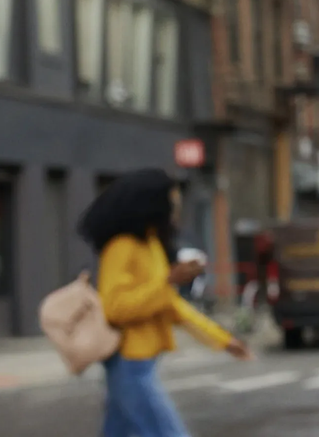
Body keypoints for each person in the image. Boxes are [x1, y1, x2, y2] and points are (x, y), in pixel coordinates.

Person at [77, 169, 252, 437]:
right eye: (172, 204)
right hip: (128, 363)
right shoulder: (122, 247)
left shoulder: (151, 244)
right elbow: (114, 308)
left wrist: (223, 340)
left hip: (142, 362)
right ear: (152, 205)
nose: (176, 210)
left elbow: (171, 305)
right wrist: (168, 280)